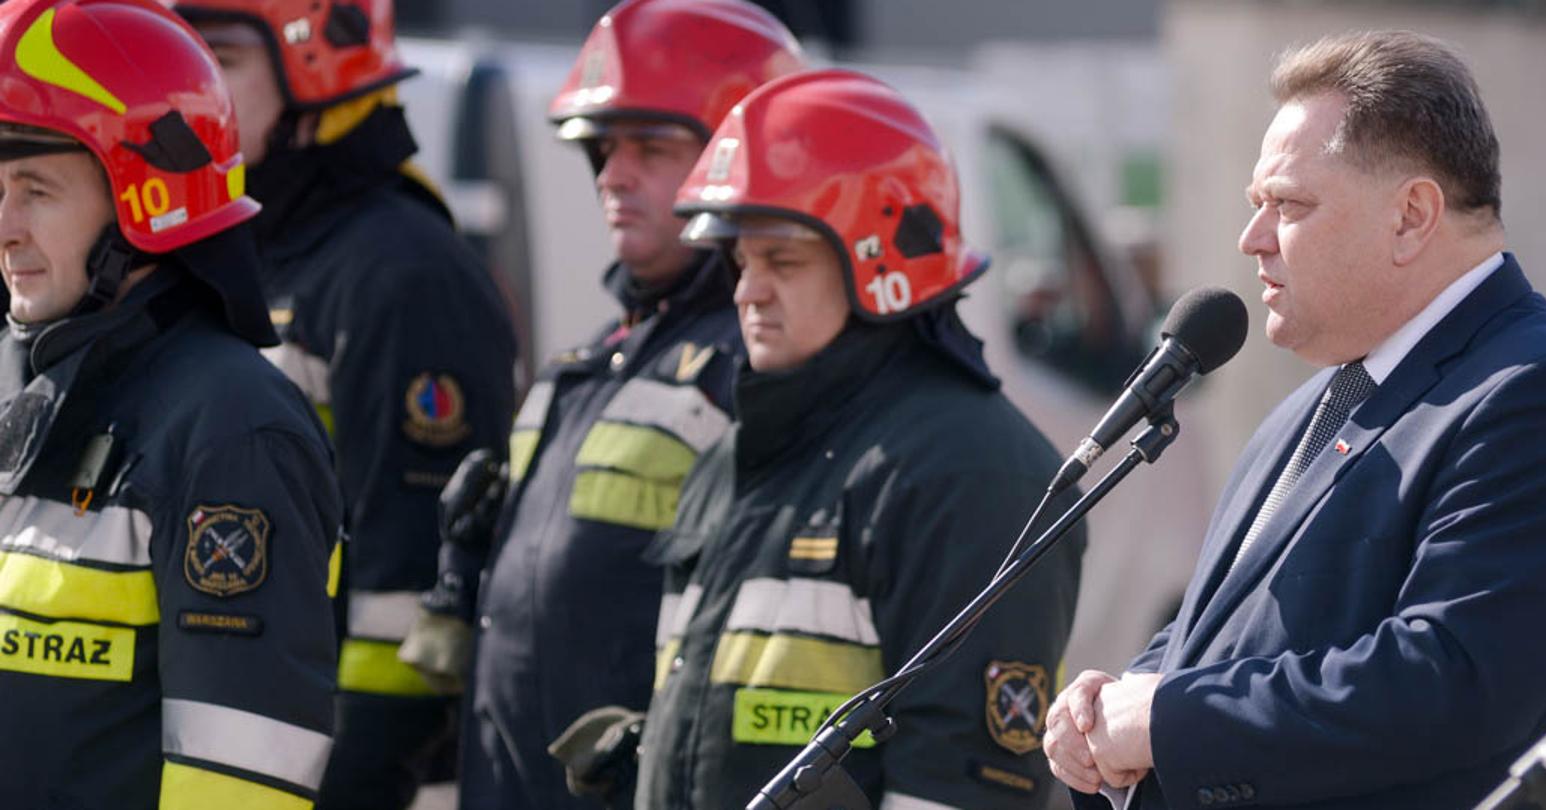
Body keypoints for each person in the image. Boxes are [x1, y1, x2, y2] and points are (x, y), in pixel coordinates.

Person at [1042, 31, 1546, 810]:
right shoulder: (1313, 405)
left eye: (1288, 205)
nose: (1253, 239)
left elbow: (1448, 680)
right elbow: (1230, 630)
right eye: (1254, 206)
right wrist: (1117, 703)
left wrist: (1168, 720)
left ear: (1411, 216)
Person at [635, 68, 1085, 810]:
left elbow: (960, 787)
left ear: (882, 265)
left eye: (782, 260)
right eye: (742, 260)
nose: (747, 290)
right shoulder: (739, 451)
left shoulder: (970, 471)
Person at [396, 1, 804, 807]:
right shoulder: (586, 363)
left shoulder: (758, 365)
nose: (614, 174)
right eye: (605, 149)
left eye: (650, 148)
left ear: (739, 161)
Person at [164, 1, 520, 806]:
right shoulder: (243, 251)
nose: (189, 90)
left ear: (318, 69)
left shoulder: (402, 275)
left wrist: (353, 785)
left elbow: (414, 601)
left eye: (219, 57)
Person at [0, 0, 344, 807]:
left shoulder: (231, 430)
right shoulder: (44, 394)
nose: (3, 226)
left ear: (144, 199)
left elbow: (240, 782)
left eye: (35, 189)